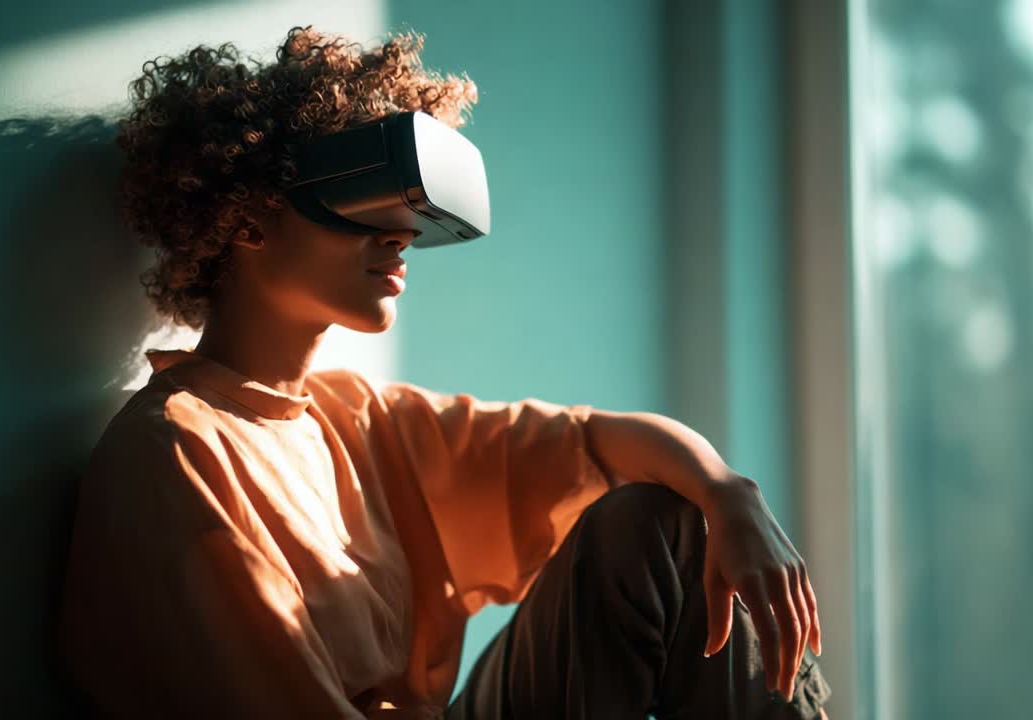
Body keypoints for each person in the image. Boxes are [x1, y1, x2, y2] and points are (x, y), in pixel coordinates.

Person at [56, 26, 831, 720]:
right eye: (368, 206)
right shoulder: (175, 453)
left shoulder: (357, 419)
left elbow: (597, 443)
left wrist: (730, 495)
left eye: (410, 217)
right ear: (248, 218)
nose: (401, 239)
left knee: (666, 519)